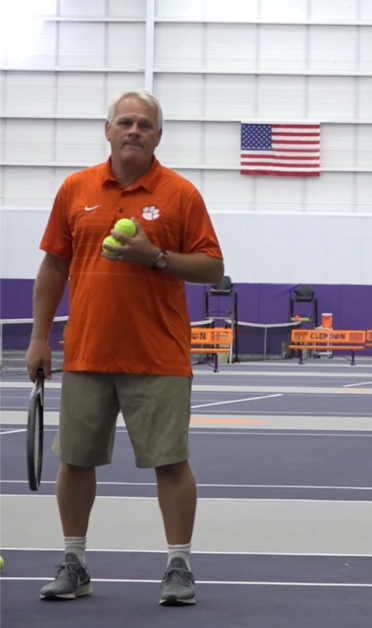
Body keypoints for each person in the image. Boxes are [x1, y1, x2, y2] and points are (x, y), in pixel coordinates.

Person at [26, 88, 225, 605]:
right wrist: (38, 338)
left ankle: (179, 566)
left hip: (158, 357)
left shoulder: (181, 194)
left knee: (171, 462)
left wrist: (155, 257)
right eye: (126, 122)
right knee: (75, 460)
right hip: (87, 353)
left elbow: (211, 267)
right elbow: (53, 266)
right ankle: (75, 562)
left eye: (145, 125)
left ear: (159, 136)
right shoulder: (76, 188)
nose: (134, 131)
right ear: (109, 130)